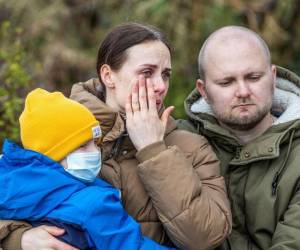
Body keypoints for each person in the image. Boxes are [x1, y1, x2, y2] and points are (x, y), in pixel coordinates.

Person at [0, 23, 232, 250]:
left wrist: (154, 151)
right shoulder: (60, 129)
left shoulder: (192, 145)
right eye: (147, 72)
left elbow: (206, 238)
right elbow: (18, 189)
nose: (161, 85)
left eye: (166, 74)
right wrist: (17, 239)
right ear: (108, 76)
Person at [0, 88, 177, 250]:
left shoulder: (11, 188)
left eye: (96, 143)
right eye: (84, 146)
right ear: (53, 154)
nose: (96, 152)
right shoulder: (93, 204)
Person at [179, 25, 300, 249]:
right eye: (227, 82)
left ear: (272, 77)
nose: (243, 91)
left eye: (253, 77)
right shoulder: (177, 144)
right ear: (203, 90)